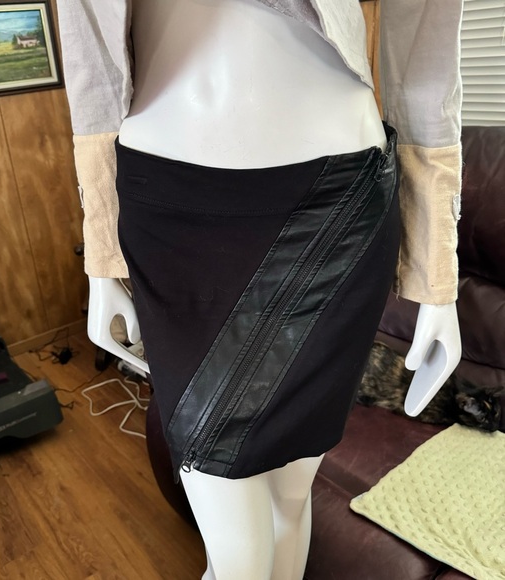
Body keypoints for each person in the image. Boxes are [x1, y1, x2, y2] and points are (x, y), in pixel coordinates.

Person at [58, 1, 464, 578]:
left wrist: (435, 274)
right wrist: (102, 251)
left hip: (336, 203)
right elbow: (91, 61)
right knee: (233, 541)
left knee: (290, 504)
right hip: (168, 212)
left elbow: (424, 48)